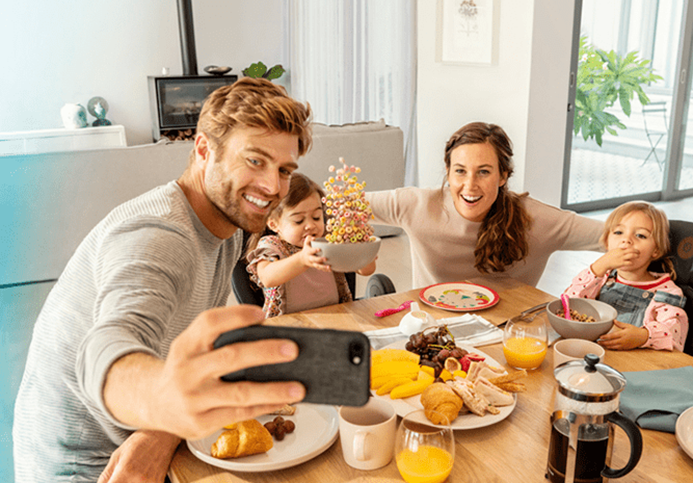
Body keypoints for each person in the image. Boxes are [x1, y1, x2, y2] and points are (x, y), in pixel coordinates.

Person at [13, 77, 313, 483]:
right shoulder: (158, 236)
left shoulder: (230, 224)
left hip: (136, 440)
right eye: (255, 161)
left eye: (283, 170)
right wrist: (164, 407)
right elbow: (107, 350)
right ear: (204, 150)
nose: (273, 186)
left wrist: (161, 430)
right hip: (86, 468)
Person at [366, 121, 604, 289]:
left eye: (483, 172)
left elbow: (617, 236)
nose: (470, 185)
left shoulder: (538, 219)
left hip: (508, 338)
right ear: (448, 173)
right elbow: (336, 206)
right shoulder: (416, 205)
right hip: (433, 335)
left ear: (503, 176)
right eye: (460, 171)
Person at [245, 173, 376, 318]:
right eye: (299, 220)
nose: (310, 225)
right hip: (288, 325)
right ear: (274, 224)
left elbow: (366, 270)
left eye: (316, 217)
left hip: (335, 317)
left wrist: (364, 253)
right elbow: (267, 277)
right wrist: (302, 259)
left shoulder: (329, 240)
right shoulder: (271, 245)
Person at [563, 201, 689, 351]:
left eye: (640, 235)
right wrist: (598, 267)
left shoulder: (666, 292)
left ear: (656, 250)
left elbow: (674, 336)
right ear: (607, 243)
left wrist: (643, 336)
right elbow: (567, 308)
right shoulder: (601, 278)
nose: (626, 240)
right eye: (618, 232)